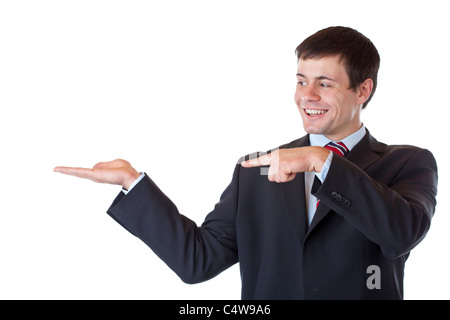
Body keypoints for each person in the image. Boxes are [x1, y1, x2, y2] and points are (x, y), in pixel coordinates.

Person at [54, 26, 438, 299]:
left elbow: (401, 233)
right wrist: (132, 182)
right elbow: (197, 261)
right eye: (301, 80)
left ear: (363, 89)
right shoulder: (256, 168)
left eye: (325, 83)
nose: (307, 96)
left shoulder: (408, 163)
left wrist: (322, 161)